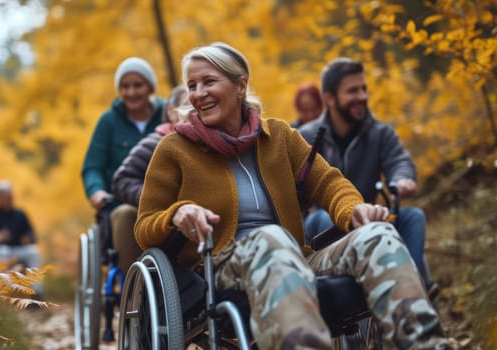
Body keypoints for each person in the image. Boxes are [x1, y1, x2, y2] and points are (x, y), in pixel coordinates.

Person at [135, 42, 451, 349]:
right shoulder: (174, 149)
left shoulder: (279, 137)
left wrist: (354, 210)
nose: (198, 94)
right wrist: (177, 213)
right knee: (271, 237)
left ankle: (426, 344)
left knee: (378, 234)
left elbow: (328, 182)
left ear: (240, 86)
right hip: (221, 266)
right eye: (192, 85)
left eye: (208, 81)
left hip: (297, 257)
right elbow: (144, 226)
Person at [298, 57, 436, 295]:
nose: (362, 96)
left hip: (370, 217)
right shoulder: (307, 136)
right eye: (353, 91)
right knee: (323, 218)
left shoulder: (380, 133)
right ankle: (343, 291)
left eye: (363, 89)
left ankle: (414, 287)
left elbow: (400, 161)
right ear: (329, 98)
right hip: (321, 224)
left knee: (413, 217)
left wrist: (402, 179)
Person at [81, 57, 164, 258]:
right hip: (121, 202)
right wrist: (96, 191)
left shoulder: (167, 115)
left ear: (150, 88)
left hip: (164, 201)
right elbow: (93, 167)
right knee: (127, 215)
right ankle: (132, 284)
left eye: (138, 85)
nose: (131, 92)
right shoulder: (108, 122)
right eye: (125, 86)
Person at [110, 85, 187, 273]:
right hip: (157, 216)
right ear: (171, 112)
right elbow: (121, 180)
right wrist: (155, 199)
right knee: (126, 214)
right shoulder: (154, 143)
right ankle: (132, 285)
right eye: (187, 106)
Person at [0, 180, 43, 295]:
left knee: (34, 251)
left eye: (11, 196)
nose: (10, 199)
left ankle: (37, 294)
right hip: (1, 252)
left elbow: (31, 233)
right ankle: (2, 292)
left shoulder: (20, 214)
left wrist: (29, 238)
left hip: (19, 250)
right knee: (2, 251)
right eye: (7, 196)